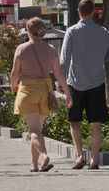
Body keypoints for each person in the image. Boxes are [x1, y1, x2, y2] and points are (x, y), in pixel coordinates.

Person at [59, 0, 109, 170]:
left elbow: (64, 60)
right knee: (95, 123)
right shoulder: (104, 32)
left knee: (74, 121)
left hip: (75, 83)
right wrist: (99, 58)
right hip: (97, 83)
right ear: (94, 12)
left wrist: (60, 83)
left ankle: (80, 156)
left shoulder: (71, 32)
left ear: (78, 11)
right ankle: (95, 160)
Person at [11, 17, 71, 172]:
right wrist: (68, 93)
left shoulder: (21, 49)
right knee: (37, 129)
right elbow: (58, 74)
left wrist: (14, 86)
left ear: (28, 32)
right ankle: (34, 164)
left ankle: (44, 156)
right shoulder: (51, 49)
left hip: (28, 89)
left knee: (34, 131)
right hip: (46, 90)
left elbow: (14, 73)